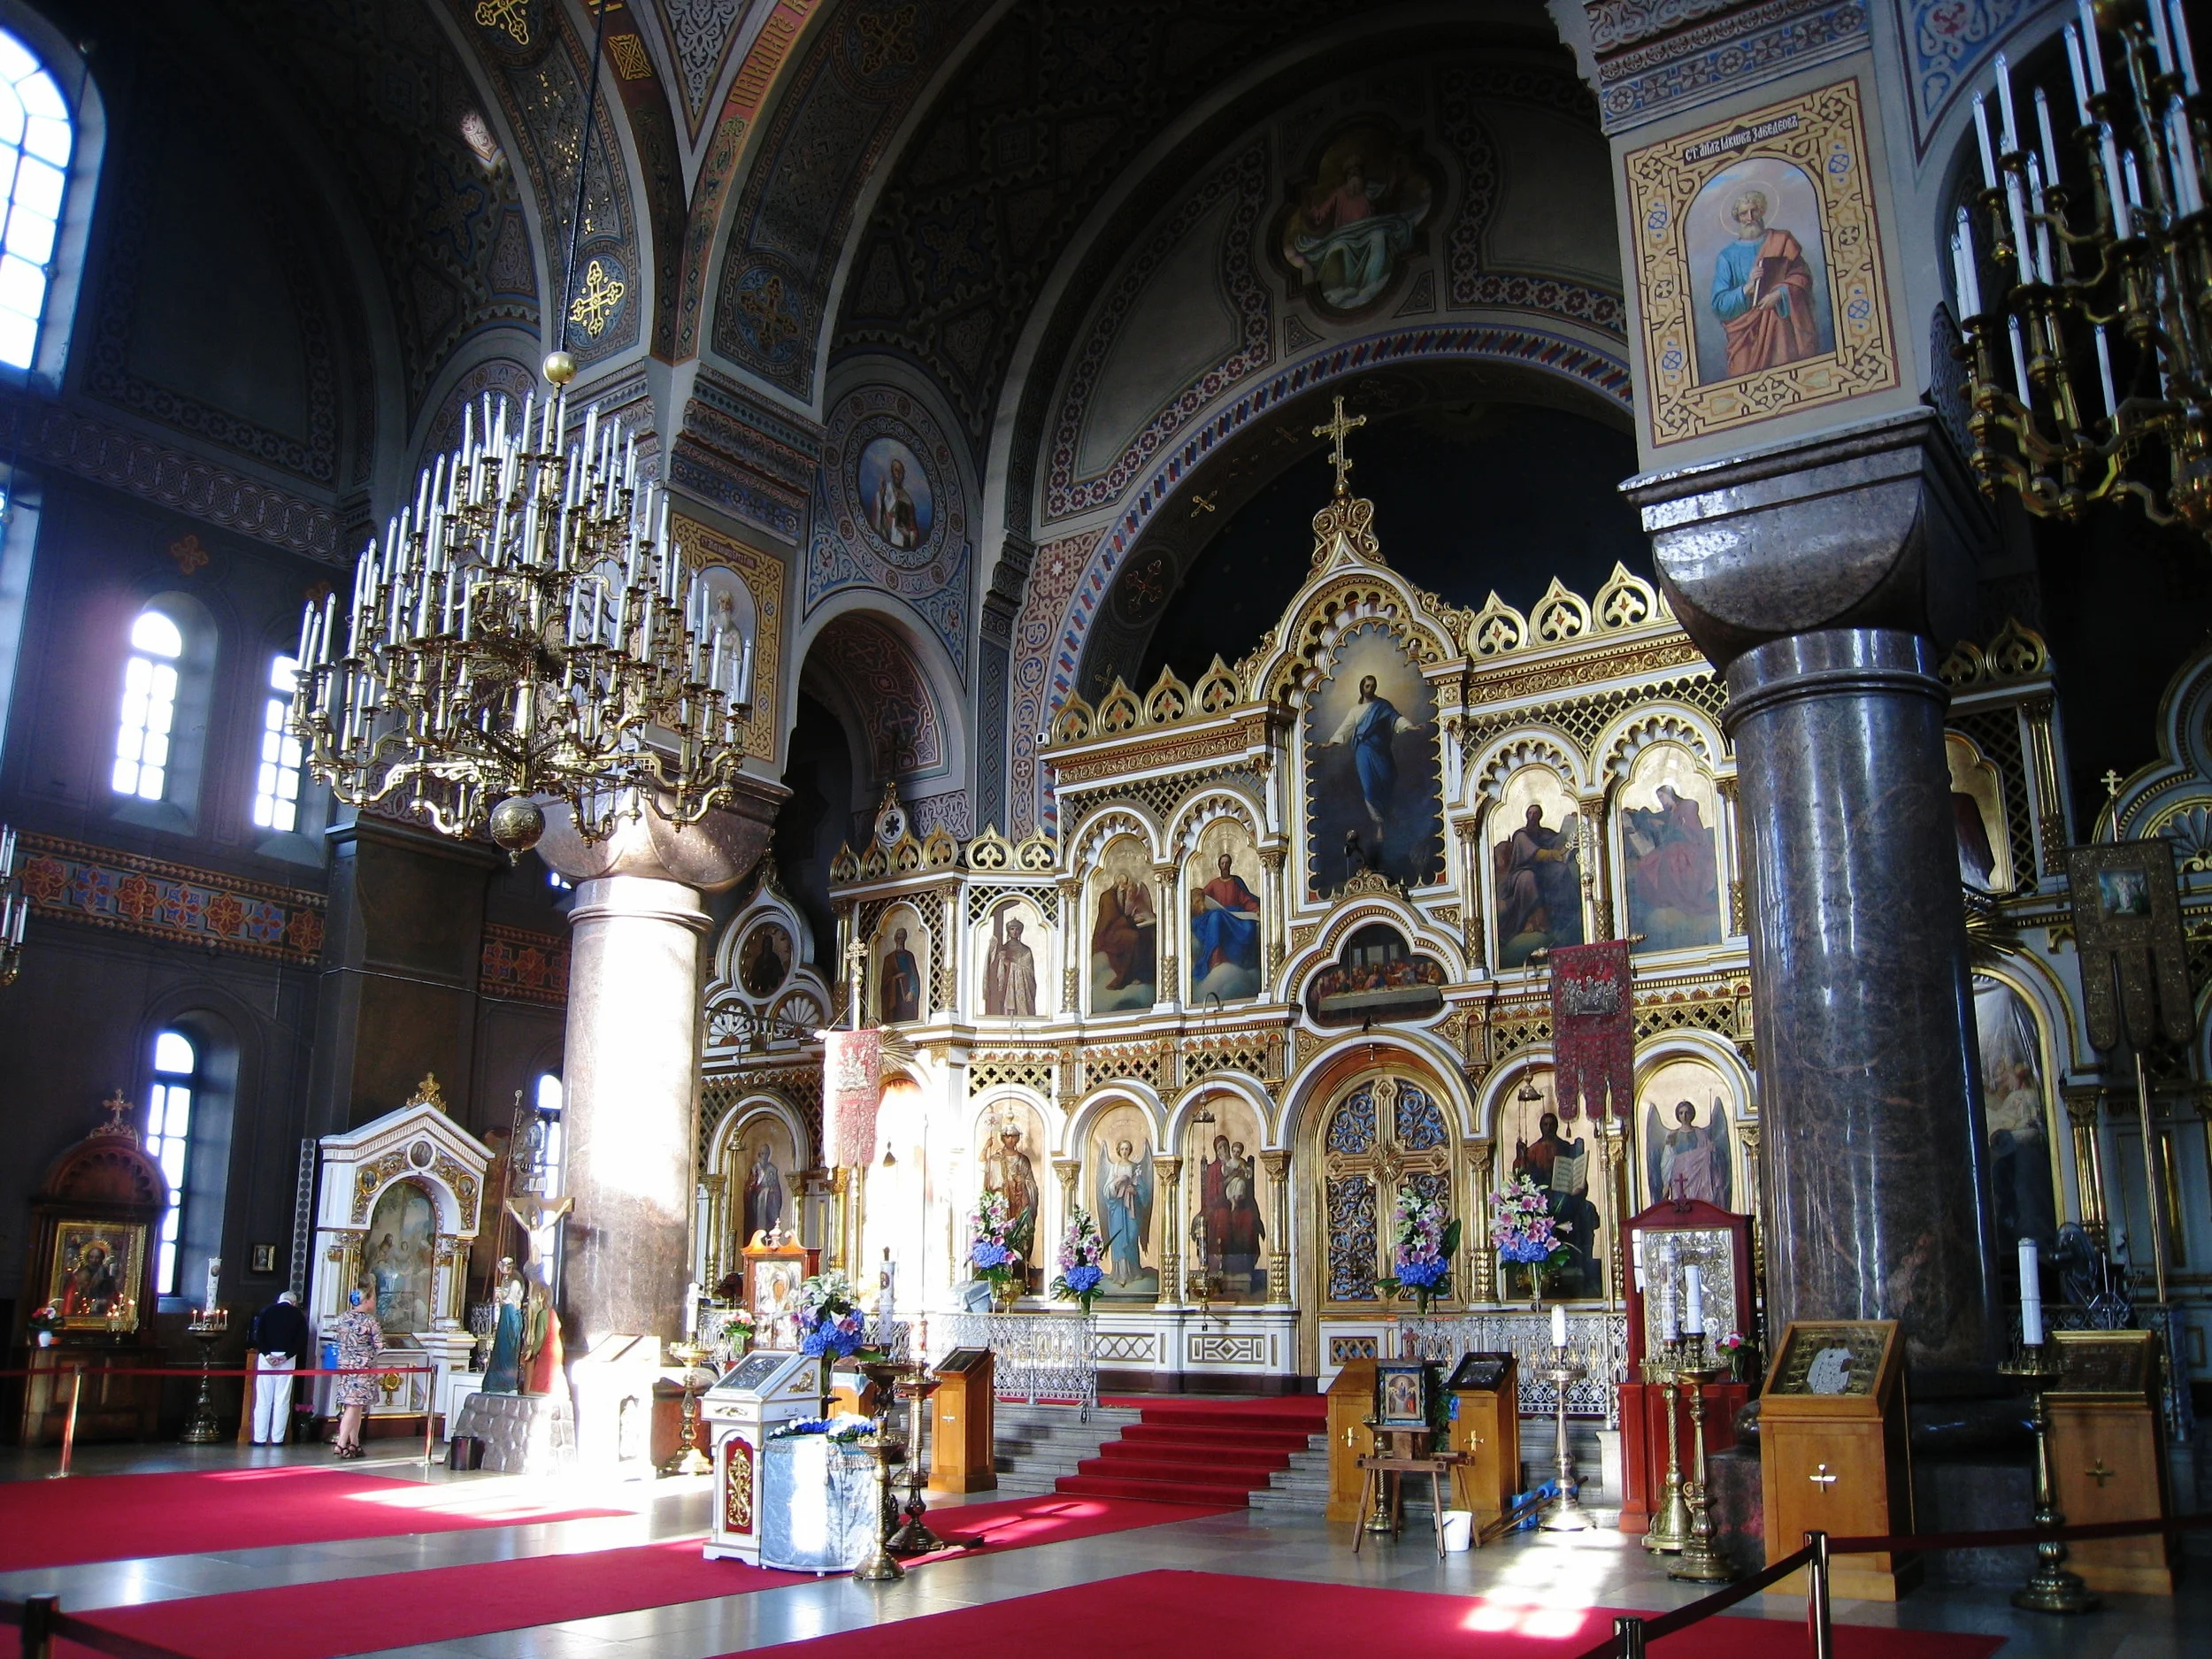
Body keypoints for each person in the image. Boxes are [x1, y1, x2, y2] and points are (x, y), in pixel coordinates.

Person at [1709, 188, 1818, 376]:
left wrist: (1780, 294)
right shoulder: (1727, 257)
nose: (1750, 217)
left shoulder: (1782, 240)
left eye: (1754, 210)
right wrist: (1747, 288)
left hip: (1782, 329)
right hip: (1745, 337)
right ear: (1738, 217)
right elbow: (1719, 305)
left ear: (1762, 211)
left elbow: (1803, 276)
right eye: (1744, 213)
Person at [1320, 674, 1422, 839]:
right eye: (1367, 686)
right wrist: (1330, 743)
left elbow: (1395, 719)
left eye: (1373, 685)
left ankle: (1389, 819)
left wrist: (1410, 727)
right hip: (1364, 751)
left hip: (1381, 751)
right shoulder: (1355, 710)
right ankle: (1379, 824)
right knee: (1369, 787)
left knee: (1387, 781)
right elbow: (1345, 729)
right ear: (1362, 688)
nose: (1370, 689)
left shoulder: (1383, 706)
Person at [1495, 803, 1581, 947]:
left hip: (1543, 869)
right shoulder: (1521, 835)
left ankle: (1567, 916)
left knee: (1561, 870)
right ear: (1526, 815)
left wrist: (1572, 824)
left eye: (1536, 813)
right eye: (1531, 813)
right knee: (1528, 878)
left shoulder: (1544, 832)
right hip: (1521, 871)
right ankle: (1532, 921)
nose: (1533, 816)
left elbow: (1559, 841)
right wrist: (1550, 854)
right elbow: (1532, 852)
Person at [247, 1290, 311, 1445]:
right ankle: (278, 1438)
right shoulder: (298, 1315)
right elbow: (301, 1339)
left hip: (266, 1358)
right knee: (282, 1399)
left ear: (279, 1300)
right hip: (287, 1359)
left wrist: (267, 1354)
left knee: (263, 1399)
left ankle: (260, 1438)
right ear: (294, 1303)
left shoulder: (266, 1311)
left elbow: (258, 1334)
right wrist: (286, 1355)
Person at [330, 1282, 382, 1459]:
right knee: (353, 1406)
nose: (374, 1301)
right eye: (373, 1298)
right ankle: (340, 1443)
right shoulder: (369, 1321)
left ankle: (355, 1443)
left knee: (355, 1406)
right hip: (362, 1369)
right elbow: (380, 1344)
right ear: (366, 1301)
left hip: (346, 1368)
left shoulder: (343, 1318)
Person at [1190, 852, 1262, 980]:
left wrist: (1255, 909)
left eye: (1227, 863)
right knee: (1215, 917)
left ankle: (1243, 962)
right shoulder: (1214, 884)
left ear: (1230, 865)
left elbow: (1246, 900)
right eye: (1222, 863)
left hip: (1236, 916)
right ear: (1219, 866)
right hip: (1218, 913)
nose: (1225, 866)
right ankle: (1215, 958)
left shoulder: (1236, 883)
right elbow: (1202, 897)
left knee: (1250, 927)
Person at [1098, 1137, 1152, 1286]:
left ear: (1130, 1151)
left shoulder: (1135, 1167)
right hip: (1117, 1208)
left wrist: (1134, 1190)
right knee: (1118, 1237)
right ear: (1118, 1150)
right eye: (1122, 1149)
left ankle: (1133, 1271)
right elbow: (1106, 1190)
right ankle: (1119, 1273)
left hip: (1131, 1209)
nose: (1124, 1152)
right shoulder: (1114, 1167)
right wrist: (1116, 1183)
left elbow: (1144, 1191)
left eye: (1127, 1149)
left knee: (1131, 1235)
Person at [1653, 1100, 1728, 1206]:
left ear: (1692, 1114)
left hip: (1699, 1176)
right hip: (1679, 1176)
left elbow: (1710, 1156)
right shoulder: (1673, 1136)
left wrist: (1712, 1150)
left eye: (1687, 1112)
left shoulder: (1700, 1134)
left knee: (1699, 1205)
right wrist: (1666, 1183)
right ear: (1677, 1115)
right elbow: (1667, 1160)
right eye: (1681, 1113)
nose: (1684, 1116)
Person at [1091, 875, 1156, 993]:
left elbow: (1124, 914)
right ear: (1120, 884)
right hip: (1107, 936)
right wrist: (1131, 920)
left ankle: (1146, 975)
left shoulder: (1120, 895)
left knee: (1147, 936)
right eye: (1125, 884)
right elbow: (1111, 923)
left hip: (1118, 929)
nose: (1127, 888)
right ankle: (1125, 977)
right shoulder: (1108, 898)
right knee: (1133, 937)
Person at [984, 903, 1037, 1016]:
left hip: (1020, 989)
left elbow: (1029, 973)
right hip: (1007, 988)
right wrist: (1000, 960)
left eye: (1017, 929)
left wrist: (1009, 964)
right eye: (1012, 929)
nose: (1015, 931)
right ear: (1008, 931)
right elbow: (995, 971)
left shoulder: (1026, 950)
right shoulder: (1003, 948)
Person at [743, 1139, 785, 1241]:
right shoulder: (755, 1169)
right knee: (756, 1224)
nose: (764, 1156)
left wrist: (770, 1192)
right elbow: (749, 1188)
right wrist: (755, 1189)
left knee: (768, 1225)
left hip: (769, 1203)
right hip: (757, 1202)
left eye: (766, 1153)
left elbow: (777, 1189)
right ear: (759, 1155)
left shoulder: (772, 1169)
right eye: (762, 1153)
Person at [879, 927, 921, 1022]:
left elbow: (913, 975)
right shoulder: (889, 959)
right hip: (894, 994)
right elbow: (884, 982)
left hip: (906, 993)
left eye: (902, 938)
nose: (900, 940)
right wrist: (895, 978)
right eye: (898, 938)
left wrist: (912, 991)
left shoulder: (909, 956)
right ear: (895, 939)